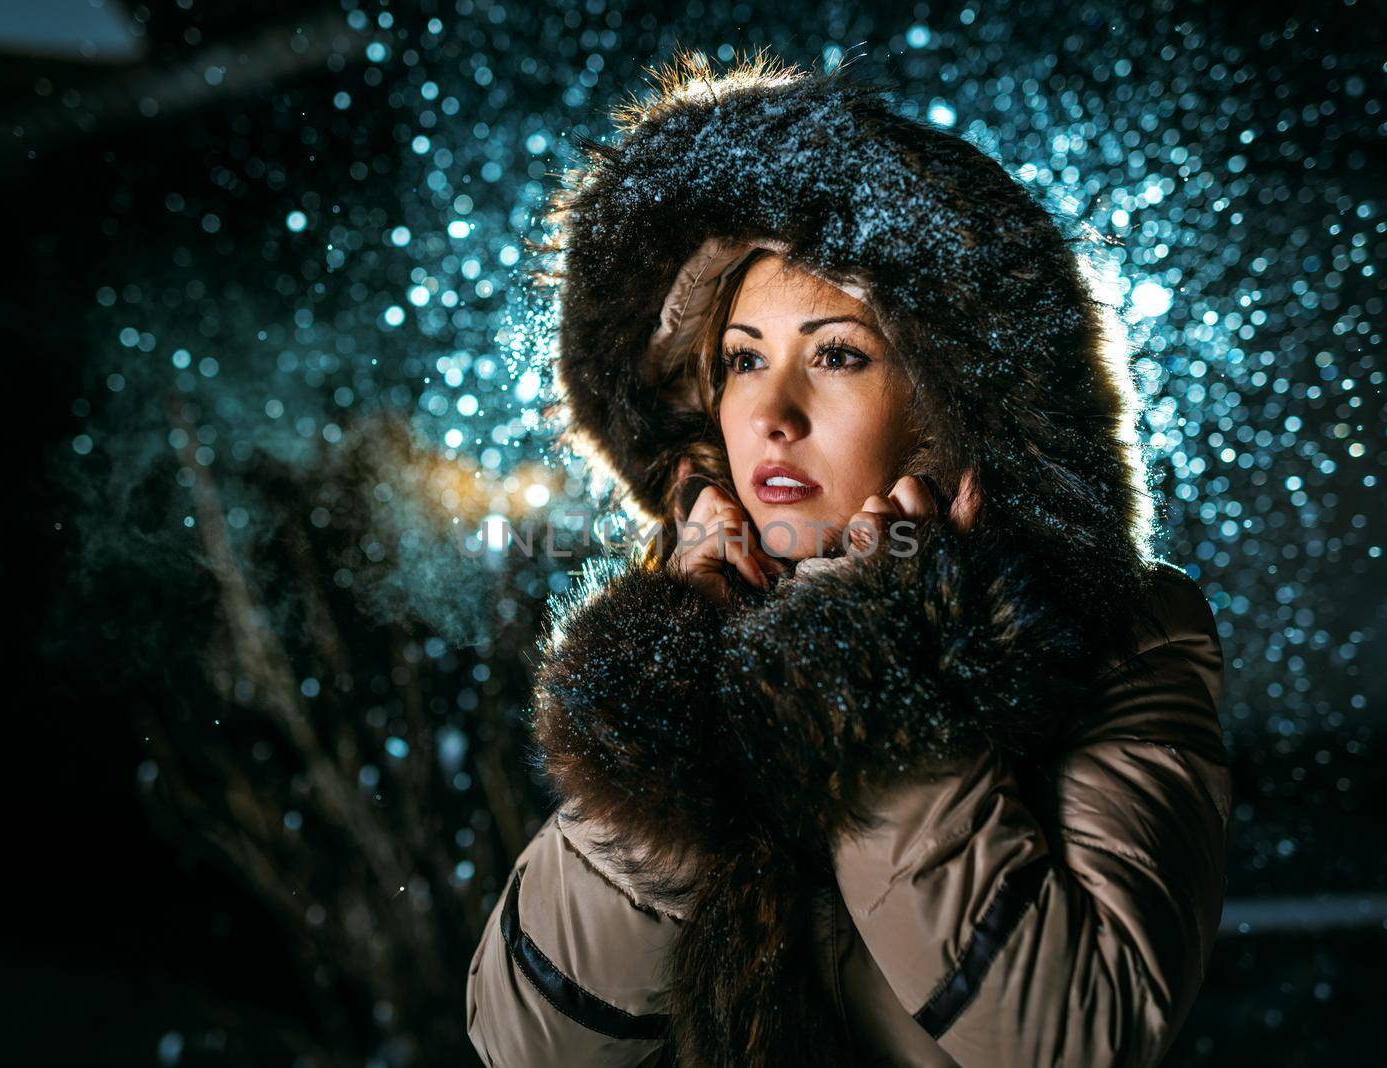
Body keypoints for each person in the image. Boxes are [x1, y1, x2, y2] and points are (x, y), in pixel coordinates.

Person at [466, 49, 1231, 1068]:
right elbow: (528, 1045)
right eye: (743, 360)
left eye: (836, 355)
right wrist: (671, 723)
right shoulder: (688, 628)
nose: (771, 414)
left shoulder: (1123, 638)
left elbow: (1075, 1037)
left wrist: (865, 674)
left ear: (948, 409)